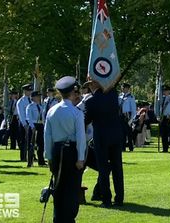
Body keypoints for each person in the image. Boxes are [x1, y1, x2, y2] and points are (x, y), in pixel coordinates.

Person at [44, 76, 86, 223]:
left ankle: (58, 217)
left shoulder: (51, 111)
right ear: (73, 93)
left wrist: (48, 156)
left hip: (56, 150)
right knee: (72, 188)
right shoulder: (76, 113)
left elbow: (47, 136)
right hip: (71, 152)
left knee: (58, 187)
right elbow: (81, 137)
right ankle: (68, 218)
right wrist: (80, 158)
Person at [85, 79, 124, 208]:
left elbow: (86, 120)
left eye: (90, 84)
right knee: (117, 167)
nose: (89, 87)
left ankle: (106, 199)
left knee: (103, 169)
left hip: (101, 137)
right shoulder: (113, 94)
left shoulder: (90, 101)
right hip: (116, 135)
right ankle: (119, 198)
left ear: (94, 84)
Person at [26, 91, 46, 167]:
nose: (39, 98)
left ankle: (41, 161)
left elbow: (43, 117)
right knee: (31, 144)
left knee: (41, 144)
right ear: (33, 97)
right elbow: (29, 118)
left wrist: (44, 125)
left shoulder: (41, 106)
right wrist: (32, 126)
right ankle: (30, 161)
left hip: (40, 124)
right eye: (37, 96)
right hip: (33, 125)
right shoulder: (30, 107)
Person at [158, 85, 170, 152]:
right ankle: (165, 149)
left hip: (169, 118)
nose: (165, 92)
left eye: (166, 90)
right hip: (163, 118)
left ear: (169, 91)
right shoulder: (162, 99)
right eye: (164, 90)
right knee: (164, 134)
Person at [16, 84, 33, 161]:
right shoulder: (21, 101)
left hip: (31, 121)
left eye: (30, 91)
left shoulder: (32, 100)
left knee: (31, 140)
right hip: (24, 122)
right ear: (24, 91)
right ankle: (23, 156)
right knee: (23, 140)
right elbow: (21, 114)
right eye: (28, 91)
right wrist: (25, 124)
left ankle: (31, 156)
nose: (30, 92)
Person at [118, 83, 136, 152]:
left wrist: (131, 120)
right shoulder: (120, 96)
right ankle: (123, 147)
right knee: (122, 133)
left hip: (127, 116)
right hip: (121, 116)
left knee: (129, 133)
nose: (122, 88)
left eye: (124, 87)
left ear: (127, 88)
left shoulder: (131, 97)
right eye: (122, 87)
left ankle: (131, 147)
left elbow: (133, 109)